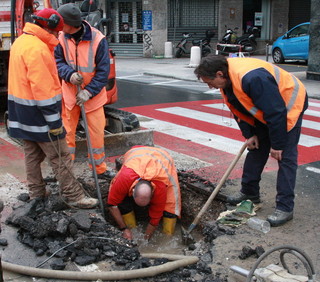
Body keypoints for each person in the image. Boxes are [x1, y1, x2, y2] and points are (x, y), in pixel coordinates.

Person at [194, 54, 308, 227]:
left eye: (209, 82)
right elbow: (238, 107)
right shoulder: (228, 80)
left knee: (285, 157)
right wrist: (249, 134)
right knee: (256, 149)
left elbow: (276, 112)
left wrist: (277, 145)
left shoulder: (253, 78)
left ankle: (285, 207)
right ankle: (250, 193)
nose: (210, 86)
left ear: (219, 74)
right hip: (268, 110)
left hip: (288, 107)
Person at [7, 8, 98, 209]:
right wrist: (54, 122)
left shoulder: (21, 42)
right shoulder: (38, 49)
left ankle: (36, 193)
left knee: (32, 155)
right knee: (60, 155)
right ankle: (74, 196)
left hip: (21, 113)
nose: (58, 35)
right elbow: (43, 90)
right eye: (57, 32)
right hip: (39, 115)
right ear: (48, 28)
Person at [54, 3, 114, 179]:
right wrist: (69, 74)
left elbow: (103, 72)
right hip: (70, 96)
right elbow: (57, 62)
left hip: (92, 98)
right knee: (66, 137)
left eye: (61, 23)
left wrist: (88, 91)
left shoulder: (98, 39)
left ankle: (99, 170)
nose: (58, 26)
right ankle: (66, 173)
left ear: (71, 24)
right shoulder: (61, 37)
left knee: (96, 136)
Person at [107, 146, 181, 240]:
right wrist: (124, 229)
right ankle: (131, 228)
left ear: (152, 195)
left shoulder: (160, 188)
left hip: (163, 158)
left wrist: (146, 239)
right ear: (132, 191)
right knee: (121, 200)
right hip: (136, 152)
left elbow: (155, 218)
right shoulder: (125, 178)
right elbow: (112, 204)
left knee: (171, 206)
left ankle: (168, 236)